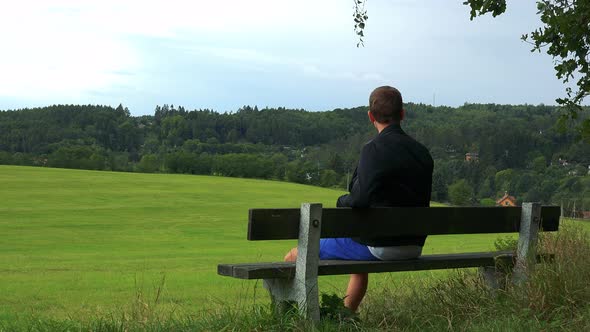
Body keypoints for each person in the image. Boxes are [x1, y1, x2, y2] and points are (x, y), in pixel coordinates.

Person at [284, 86, 434, 312]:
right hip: (413, 246)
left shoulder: (373, 149)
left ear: (370, 116)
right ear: (402, 114)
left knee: (296, 254)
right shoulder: (422, 152)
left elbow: (360, 199)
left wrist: (341, 200)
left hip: (381, 247)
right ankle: (346, 315)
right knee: (357, 260)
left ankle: (290, 315)